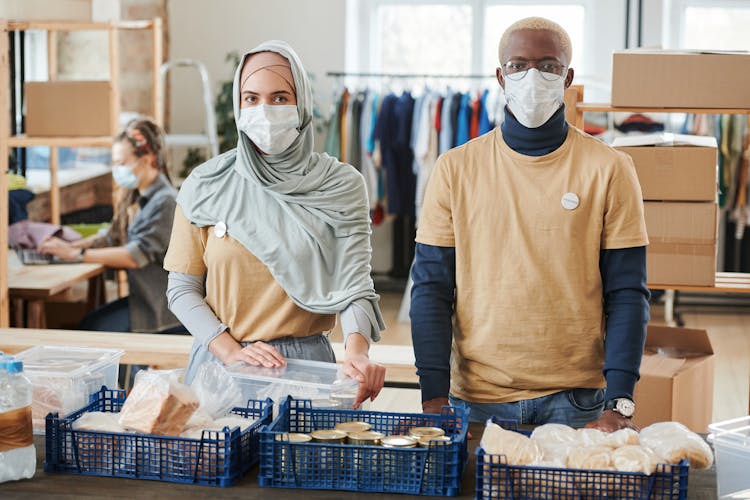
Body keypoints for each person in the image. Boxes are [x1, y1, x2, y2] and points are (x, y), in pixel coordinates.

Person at [411, 17, 649, 431]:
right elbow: (431, 287)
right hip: (477, 398)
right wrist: (433, 394)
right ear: (501, 76)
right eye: (518, 65)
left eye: (548, 66)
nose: (532, 76)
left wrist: (620, 400)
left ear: (568, 76)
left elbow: (628, 291)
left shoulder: (610, 168)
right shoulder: (455, 169)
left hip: (578, 400)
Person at [164, 40, 386, 408]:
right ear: (238, 106)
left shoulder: (340, 185)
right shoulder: (206, 184)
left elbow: (354, 284)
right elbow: (181, 289)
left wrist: (357, 349)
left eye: (280, 97)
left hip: (306, 368)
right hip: (221, 363)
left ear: (302, 104)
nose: (264, 110)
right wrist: (230, 351)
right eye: (251, 98)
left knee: (305, 466)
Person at [40, 118, 182, 334]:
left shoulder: (166, 202)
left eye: (122, 163)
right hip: (144, 299)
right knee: (91, 320)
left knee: (94, 327)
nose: (117, 170)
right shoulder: (138, 197)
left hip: (162, 308)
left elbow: (134, 256)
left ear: (147, 159)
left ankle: (133, 368)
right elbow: (113, 236)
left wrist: (77, 253)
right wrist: (69, 246)